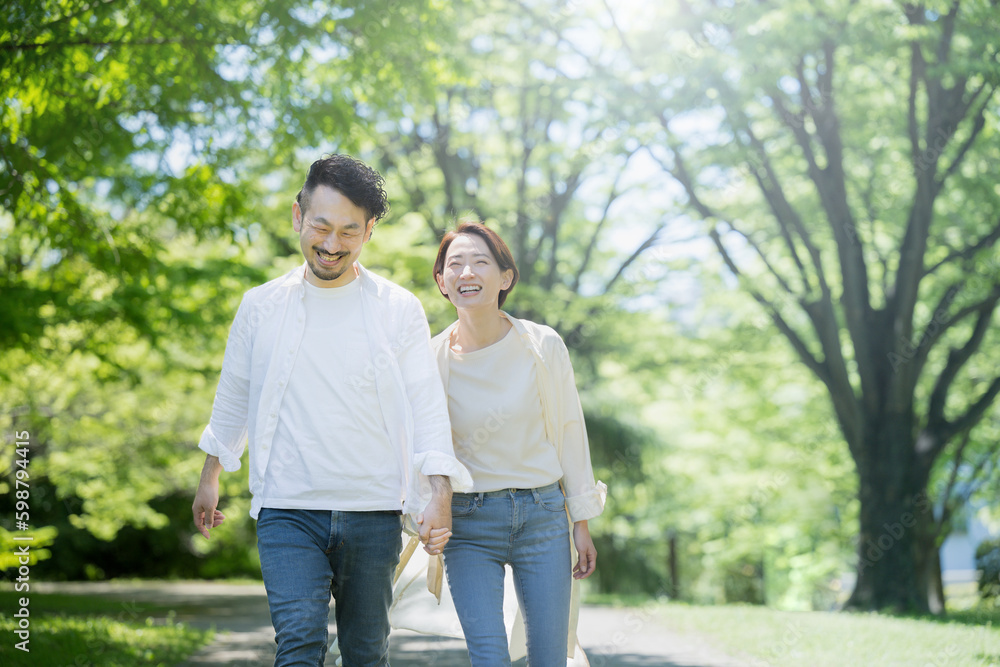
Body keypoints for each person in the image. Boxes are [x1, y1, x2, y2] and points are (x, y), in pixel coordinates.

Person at [191, 154, 473, 667]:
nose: (331, 244)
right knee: (298, 642)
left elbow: (426, 406)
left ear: (368, 231)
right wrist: (212, 472)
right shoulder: (261, 305)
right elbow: (234, 392)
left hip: (374, 510)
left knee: (366, 653)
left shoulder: (398, 308)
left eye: (348, 231)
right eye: (321, 226)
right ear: (298, 216)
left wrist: (440, 491)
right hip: (287, 507)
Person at [430, 221, 607, 666]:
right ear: (442, 282)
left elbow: (569, 430)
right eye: (455, 264)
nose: (466, 272)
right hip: (468, 525)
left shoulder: (542, 345)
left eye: (480, 262)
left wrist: (580, 520)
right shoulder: (429, 359)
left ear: (505, 277)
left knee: (549, 658)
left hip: (542, 518)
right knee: (489, 658)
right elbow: (422, 444)